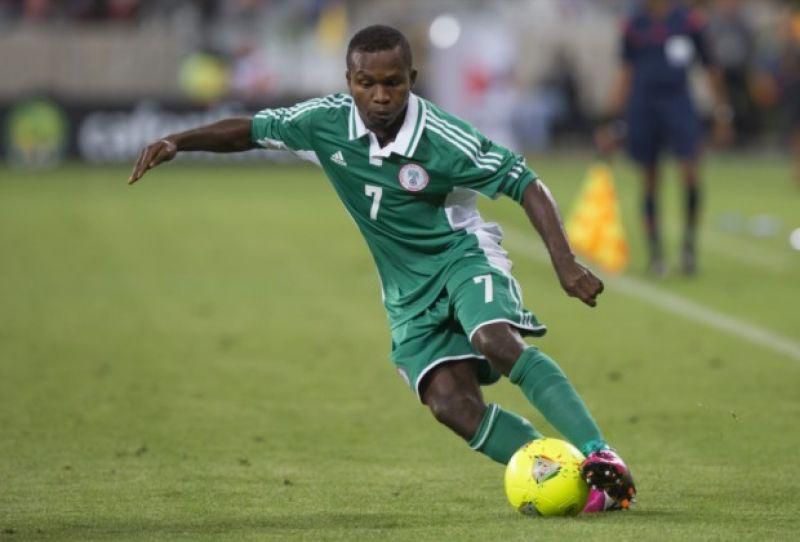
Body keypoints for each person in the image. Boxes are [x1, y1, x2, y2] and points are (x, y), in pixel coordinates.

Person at [128, 25, 635, 512]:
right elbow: (251, 130)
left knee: (493, 339)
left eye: (392, 82)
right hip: (405, 290)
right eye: (365, 82)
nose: (379, 95)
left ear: (411, 81)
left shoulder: (443, 138)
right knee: (450, 405)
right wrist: (179, 140)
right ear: (348, 81)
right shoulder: (324, 122)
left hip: (461, 255)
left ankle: (599, 452)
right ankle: (569, 476)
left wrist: (565, 264)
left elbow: (525, 181)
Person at [597, 0, 732, 275]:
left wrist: (722, 112)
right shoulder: (633, 24)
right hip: (643, 106)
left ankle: (688, 249)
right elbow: (625, 74)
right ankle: (656, 254)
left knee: (690, 172)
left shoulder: (689, 21)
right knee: (649, 179)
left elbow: (710, 67)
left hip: (678, 104)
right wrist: (610, 122)